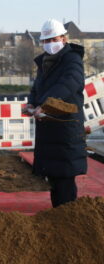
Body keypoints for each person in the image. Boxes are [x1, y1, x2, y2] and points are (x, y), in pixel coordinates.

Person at [23, 18, 87, 207]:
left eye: (54, 39)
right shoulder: (45, 63)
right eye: (46, 41)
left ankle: (66, 217)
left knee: (64, 177)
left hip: (65, 127)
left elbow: (68, 84)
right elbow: (37, 88)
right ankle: (58, 215)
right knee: (54, 177)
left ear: (64, 39)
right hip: (49, 127)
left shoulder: (72, 60)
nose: (50, 44)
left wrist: (46, 104)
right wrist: (32, 103)